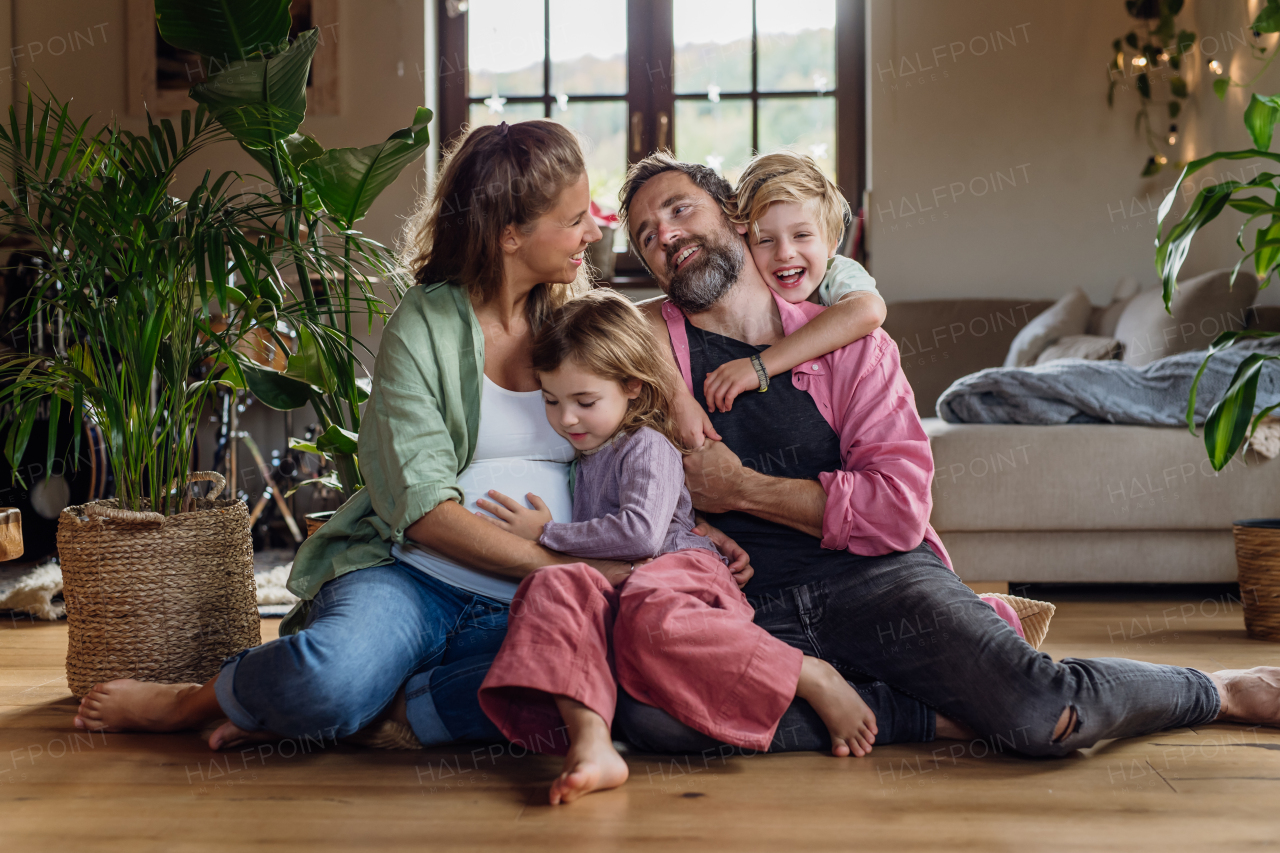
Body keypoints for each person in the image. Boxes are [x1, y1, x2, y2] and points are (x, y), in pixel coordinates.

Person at [71, 121, 756, 750]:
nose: (591, 232)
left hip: (537, 601)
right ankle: (198, 700)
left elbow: (637, 378)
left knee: (612, 679)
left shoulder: (572, 318)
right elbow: (424, 514)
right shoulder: (423, 329)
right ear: (510, 235)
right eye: (575, 219)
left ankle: (382, 705)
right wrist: (570, 569)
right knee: (331, 677)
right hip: (414, 578)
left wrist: (681, 532)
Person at [612, 149, 1280, 757]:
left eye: (678, 209)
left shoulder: (850, 342)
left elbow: (898, 510)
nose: (666, 235)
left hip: (876, 581)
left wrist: (740, 490)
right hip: (750, 608)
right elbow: (591, 331)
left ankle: (1216, 690)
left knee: (1043, 714)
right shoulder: (645, 353)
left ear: (732, 215)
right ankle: (921, 713)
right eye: (646, 235)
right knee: (651, 719)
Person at [475, 289, 895, 805]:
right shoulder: (585, 454)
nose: (567, 419)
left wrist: (546, 533)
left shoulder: (646, 443)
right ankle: (591, 743)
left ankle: (807, 672)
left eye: (584, 402)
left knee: (654, 605)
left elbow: (642, 534)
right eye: (552, 400)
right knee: (551, 584)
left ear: (632, 386)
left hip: (677, 569)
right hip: (625, 577)